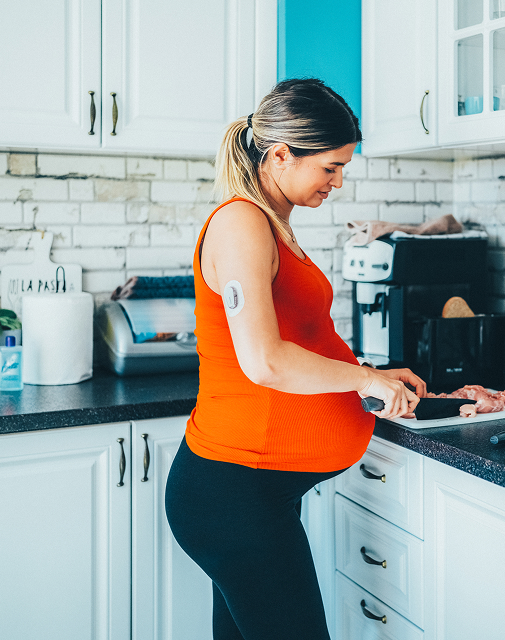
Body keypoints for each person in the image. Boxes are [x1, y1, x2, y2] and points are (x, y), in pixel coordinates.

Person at [165, 78, 425, 640]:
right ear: (281, 155)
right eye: (329, 167)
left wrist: (372, 374)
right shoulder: (241, 222)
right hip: (232, 490)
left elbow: (300, 340)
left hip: (255, 491)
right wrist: (366, 378)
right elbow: (266, 361)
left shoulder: (271, 223)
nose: (337, 181)